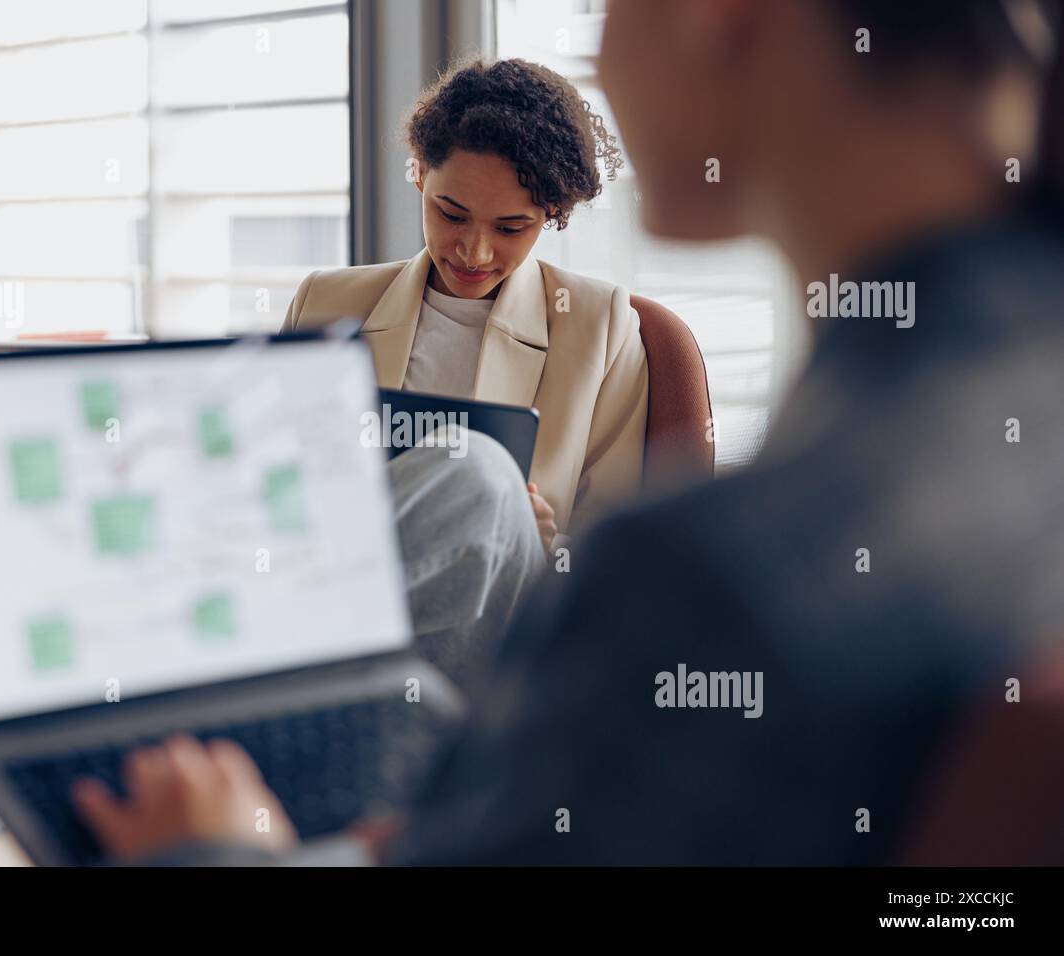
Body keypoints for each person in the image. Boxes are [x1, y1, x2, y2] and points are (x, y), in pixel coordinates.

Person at [74, 0, 1064, 864]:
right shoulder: (1007, 424)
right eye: (452, 210)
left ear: (721, 12)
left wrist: (208, 851)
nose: (473, 246)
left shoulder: (702, 570)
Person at [282, 58, 645, 548]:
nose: (474, 253)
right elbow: (274, 490)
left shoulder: (600, 327)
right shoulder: (323, 304)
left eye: (510, 228)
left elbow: (617, 554)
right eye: (451, 215)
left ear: (552, 213)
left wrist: (534, 542)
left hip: (509, 615)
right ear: (420, 176)